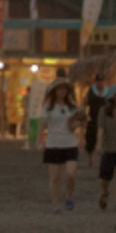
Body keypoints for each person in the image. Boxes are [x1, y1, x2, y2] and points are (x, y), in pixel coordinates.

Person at [38, 81, 82, 214]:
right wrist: (40, 139)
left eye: (64, 89)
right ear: (54, 91)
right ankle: (56, 205)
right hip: (53, 143)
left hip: (70, 143)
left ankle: (69, 196)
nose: (62, 91)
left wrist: (78, 124)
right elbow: (43, 124)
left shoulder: (72, 106)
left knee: (71, 173)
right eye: (59, 89)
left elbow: (75, 123)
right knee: (55, 177)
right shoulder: (48, 107)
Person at [84, 74, 108, 169]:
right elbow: (85, 103)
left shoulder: (107, 92)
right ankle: (90, 160)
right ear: (96, 82)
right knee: (90, 140)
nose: (100, 83)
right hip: (92, 119)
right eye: (98, 82)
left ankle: (102, 160)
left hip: (104, 120)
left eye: (102, 82)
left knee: (104, 140)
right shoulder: (91, 92)